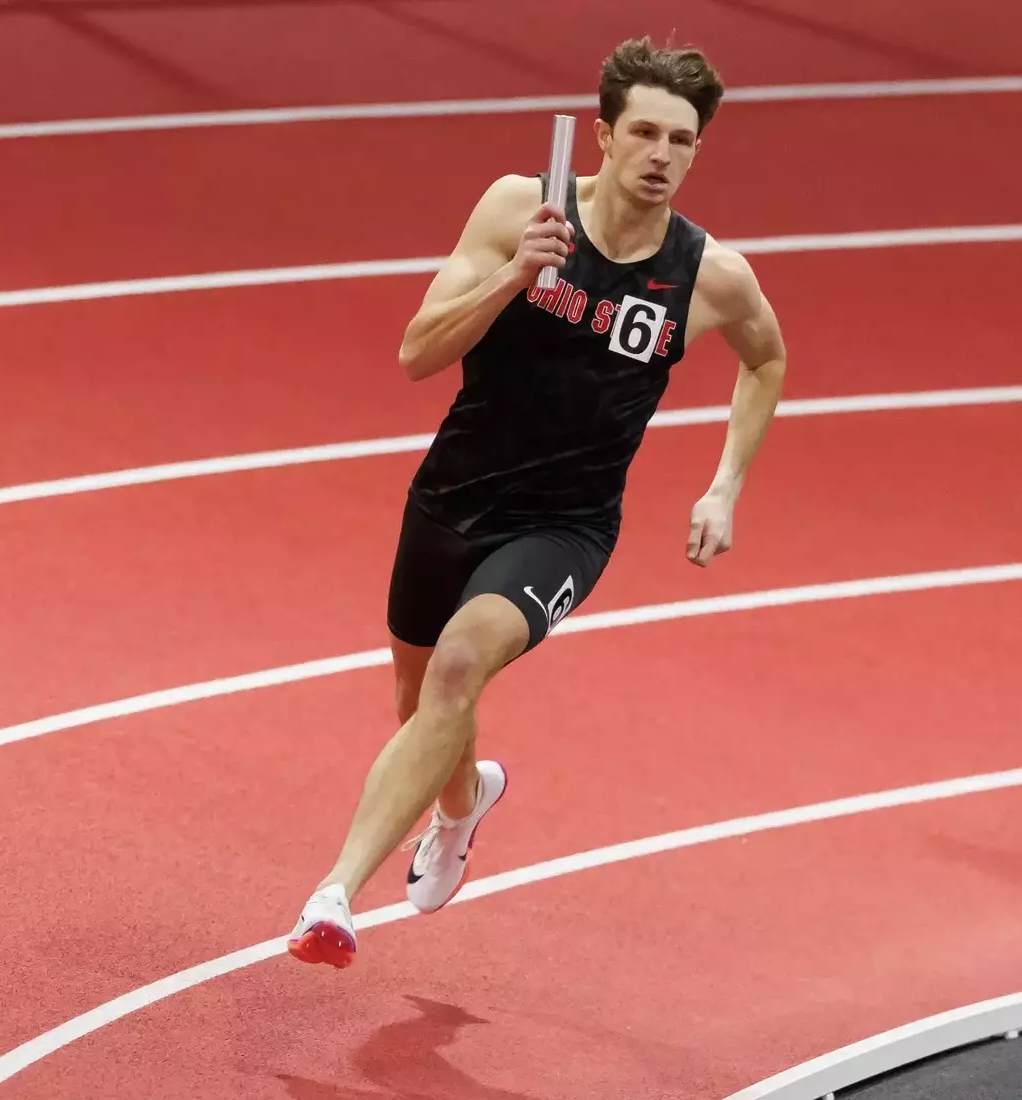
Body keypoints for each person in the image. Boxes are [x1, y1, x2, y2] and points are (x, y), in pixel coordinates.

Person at [286, 36, 787, 968]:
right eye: (643, 131)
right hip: (452, 494)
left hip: (565, 524)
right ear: (600, 134)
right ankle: (462, 801)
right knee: (419, 700)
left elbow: (767, 359)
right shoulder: (522, 207)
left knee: (460, 665)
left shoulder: (710, 275)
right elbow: (416, 353)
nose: (661, 155)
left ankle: (335, 895)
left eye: (681, 140)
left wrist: (725, 484)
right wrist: (515, 275)